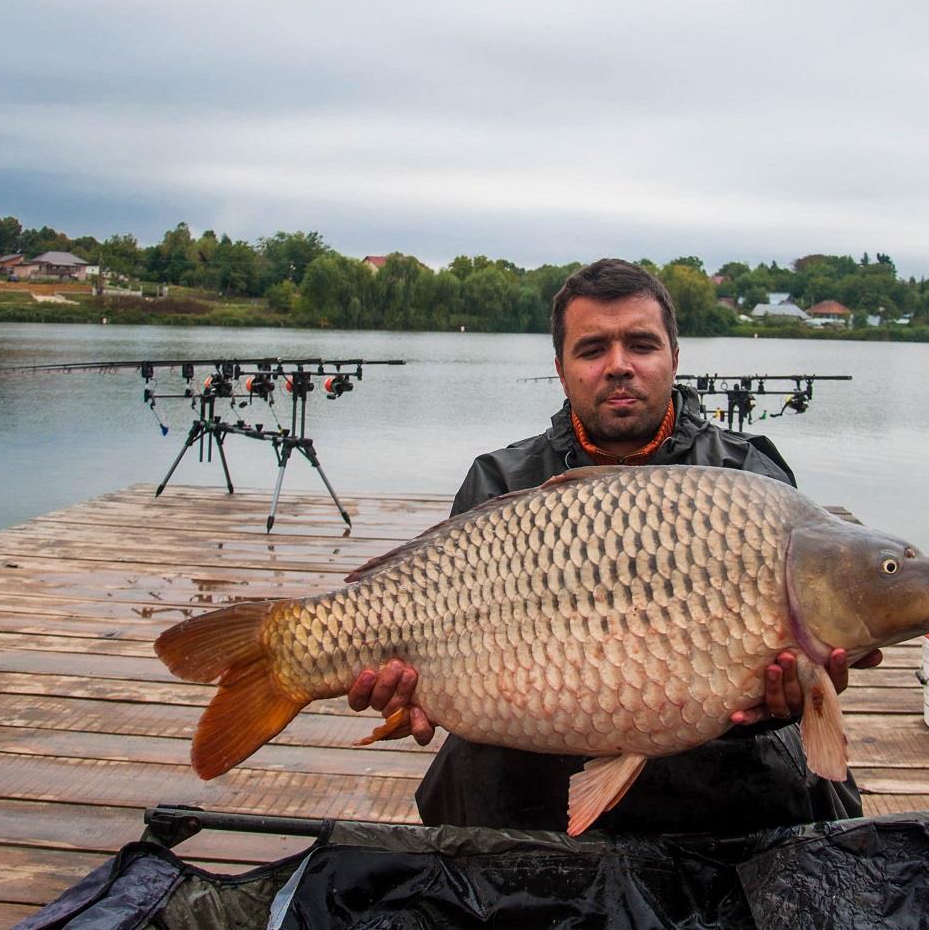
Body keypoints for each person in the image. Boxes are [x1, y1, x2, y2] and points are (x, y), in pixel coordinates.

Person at [347, 258, 879, 832]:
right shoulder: (500, 482)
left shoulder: (748, 476)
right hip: (532, 752)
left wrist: (792, 699)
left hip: (716, 759)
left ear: (675, 357)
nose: (619, 366)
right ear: (561, 368)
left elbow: (779, 668)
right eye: (593, 348)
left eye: (642, 345)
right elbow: (451, 659)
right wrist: (411, 690)